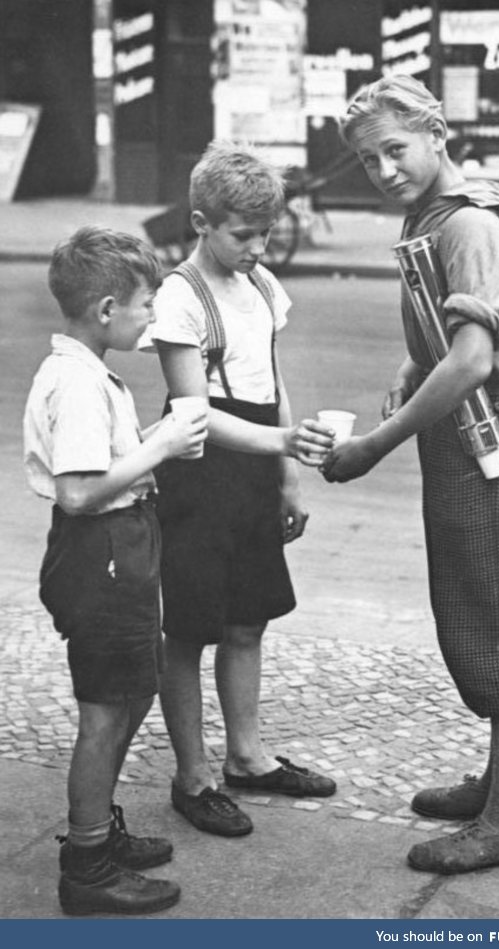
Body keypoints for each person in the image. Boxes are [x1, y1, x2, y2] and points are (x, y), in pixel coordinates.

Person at [324, 75, 499, 874]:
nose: (384, 169)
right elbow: (448, 330)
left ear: (437, 134)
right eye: (367, 160)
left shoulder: (468, 225)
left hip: (496, 435)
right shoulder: (435, 217)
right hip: (471, 434)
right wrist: (407, 360)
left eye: (396, 149)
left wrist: (375, 444)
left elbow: (470, 359)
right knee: (475, 598)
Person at [145, 140, 337, 839]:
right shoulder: (179, 297)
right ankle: (193, 775)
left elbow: (272, 379)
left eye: (266, 232)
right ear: (200, 221)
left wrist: (287, 474)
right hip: (197, 470)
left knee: (247, 618)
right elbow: (191, 411)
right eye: (243, 233)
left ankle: (248, 756)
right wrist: (281, 444)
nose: (258, 246)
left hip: (255, 465)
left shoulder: (259, 286)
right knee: (189, 626)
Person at [22, 226, 210, 915]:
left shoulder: (85, 369)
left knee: (131, 689)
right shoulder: (76, 382)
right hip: (100, 548)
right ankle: (88, 865)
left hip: (118, 544)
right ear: (105, 309)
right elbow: (77, 490)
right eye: (145, 305)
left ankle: (96, 824)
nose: (152, 318)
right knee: (106, 709)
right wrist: (161, 444)